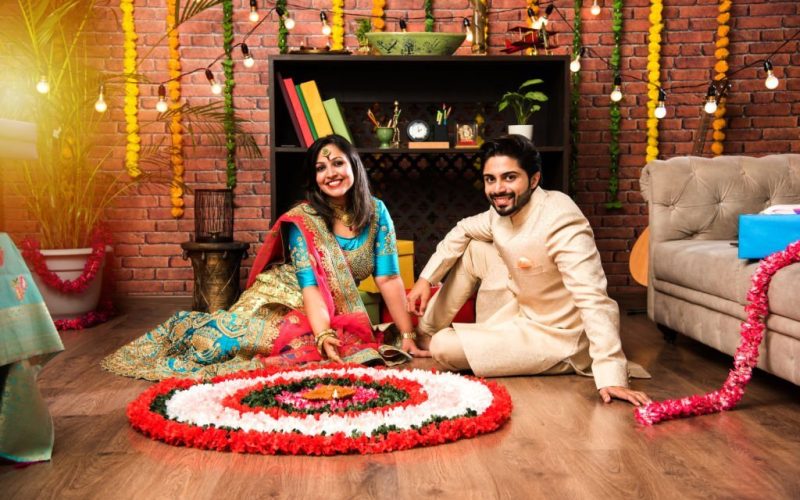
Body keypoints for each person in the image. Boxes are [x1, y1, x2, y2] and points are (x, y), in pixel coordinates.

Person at [103, 135, 429, 381]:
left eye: (338, 163)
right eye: (320, 167)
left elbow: (388, 278)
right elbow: (310, 286)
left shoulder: (377, 212)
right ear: (313, 178)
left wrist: (409, 336)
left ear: (354, 165)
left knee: (309, 355)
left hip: (331, 308)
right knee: (217, 345)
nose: (330, 172)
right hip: (280, 296)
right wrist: (324, 333)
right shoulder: (304, 219)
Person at [406, 134, 650, 406]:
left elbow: (593, 298)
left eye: (510, 178)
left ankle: (441, 341)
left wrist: (611, 375)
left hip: (557, 335)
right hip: (523, 307)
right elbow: (463, 229)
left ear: (534, 180)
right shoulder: (499, 213)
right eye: (490, 179)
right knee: (475, 249)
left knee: (444, 347)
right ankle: (424, 333)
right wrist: (426, 279)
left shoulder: (561, 220)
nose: (498, 189)